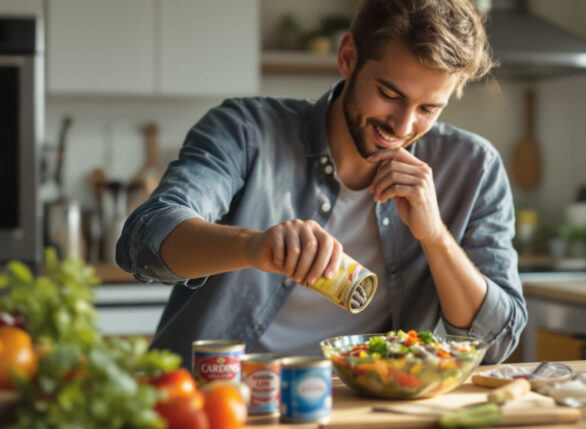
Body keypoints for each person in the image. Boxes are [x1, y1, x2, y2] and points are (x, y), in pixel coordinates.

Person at [117, 0, 527, 368]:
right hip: (212, 402)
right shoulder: (245, 130)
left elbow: (496, 342)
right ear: (348, 57)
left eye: (428, 108)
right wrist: (252, 247)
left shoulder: (474, 167)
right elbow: (144, 239)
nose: (402, 126)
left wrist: (435, 237)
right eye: (389, 93)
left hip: (361, 409)